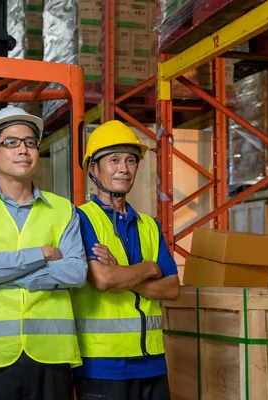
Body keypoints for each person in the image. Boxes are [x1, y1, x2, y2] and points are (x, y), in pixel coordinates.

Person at [0, 105, 88, 400]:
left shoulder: (63, 210)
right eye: (11, 143)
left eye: (29, 142)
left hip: (51, 354)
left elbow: (76, 273)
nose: (23, 150)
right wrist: (42, 253)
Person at [71, 120, 180, 400]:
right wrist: (149, 268)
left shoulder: (149, 226)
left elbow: (172, 289)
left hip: (153, 362)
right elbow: (104, 280)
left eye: (131, 160)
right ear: (93, 168)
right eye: (114, 160)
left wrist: (124, 272)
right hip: (103, 364)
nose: (124, 168)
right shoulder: (81, 219)